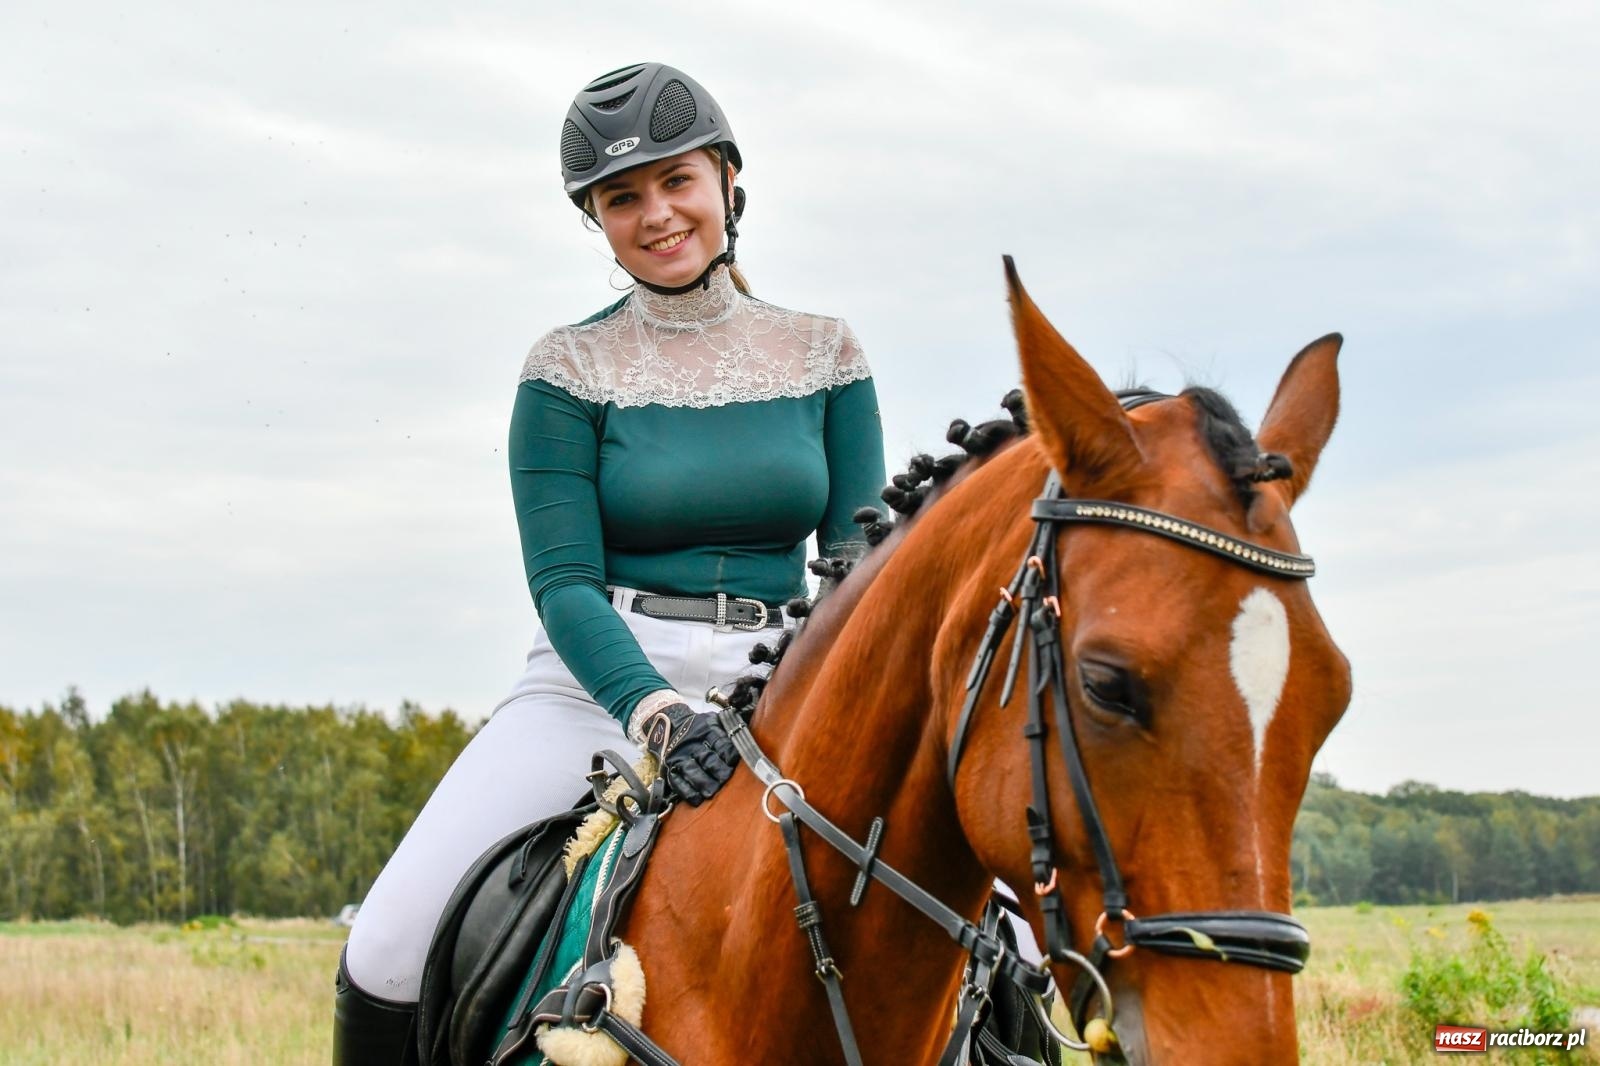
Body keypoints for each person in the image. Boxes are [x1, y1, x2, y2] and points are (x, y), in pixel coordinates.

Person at [331, 62, 887, 1063]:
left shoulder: (826, 355)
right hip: (596, 691)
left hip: (783, 683)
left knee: (999, 930)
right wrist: (656, 710)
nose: (656, 213)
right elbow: (562, 584)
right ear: (596, 219)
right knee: (386, 945)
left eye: (677, 180)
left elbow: (854, 566)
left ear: (727, 181)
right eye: (621, 197)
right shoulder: (565, 368)